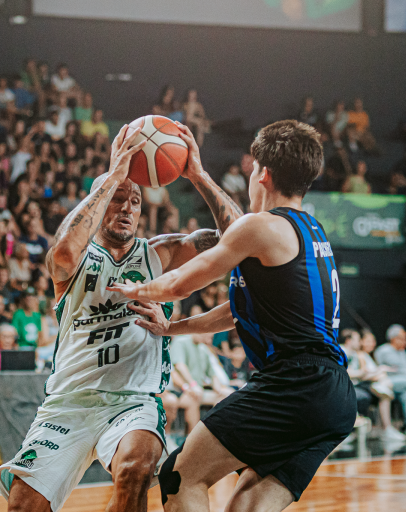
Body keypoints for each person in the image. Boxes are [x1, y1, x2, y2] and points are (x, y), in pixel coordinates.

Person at [0, 123, 242, 512]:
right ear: (100, 200)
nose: (127, 208)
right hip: (69, 402)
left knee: (134, 470)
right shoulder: (75, 259)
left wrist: (197, 175)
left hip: (133, 401)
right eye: (117, 198)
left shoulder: (160, 253)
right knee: (23, 506)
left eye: (135, 201)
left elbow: (241, 239)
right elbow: (62, 253)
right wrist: (114, 177)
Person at [110, 120, 356, 510]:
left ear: (263, 175)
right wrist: (172, 328)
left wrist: (133, 287)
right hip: (335, 396)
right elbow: (238, 311)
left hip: (295, 383)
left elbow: (181, 284)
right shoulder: (312, 229)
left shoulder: (261, 227)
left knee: (179, 476)